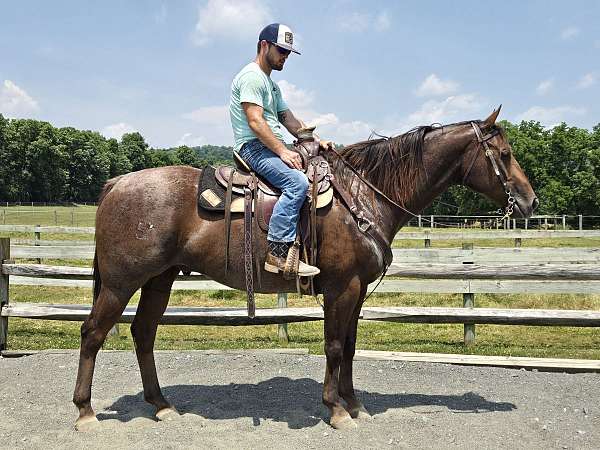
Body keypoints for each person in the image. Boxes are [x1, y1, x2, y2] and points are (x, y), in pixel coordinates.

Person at [229, 23, 332, 277]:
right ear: (264, 45)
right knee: (297, 183)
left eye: (288, 52)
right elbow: (255, 121)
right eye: (281, 50)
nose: (285, 56)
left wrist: (317, 139)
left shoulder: (272, 86)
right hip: (254, 147)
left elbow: (290, 121)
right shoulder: (252, 77)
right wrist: (283, 151)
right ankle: (278, 252)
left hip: (268, 146)